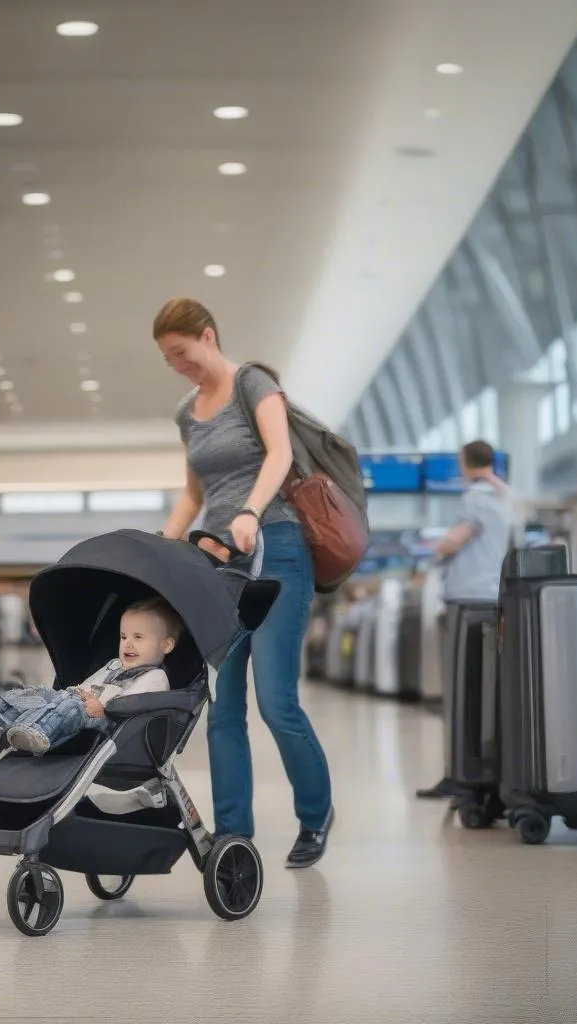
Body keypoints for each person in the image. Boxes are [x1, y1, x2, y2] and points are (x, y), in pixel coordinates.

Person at [154, 297, 334, 869]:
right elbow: (193, 493)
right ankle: (235, 837)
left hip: (277, 550)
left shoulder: (254, 384)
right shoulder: (188, 410)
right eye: (168, 360)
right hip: (220, 564)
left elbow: (279, 454)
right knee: (223, 708)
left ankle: (316, 814)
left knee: (276, 700)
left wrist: (253, 510)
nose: (178, 366)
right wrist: (161, 546)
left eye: (181, 354)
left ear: (208, 336)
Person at [0, 597, 179, 760]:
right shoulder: (114, 665)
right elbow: (84, 687)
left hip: (108, 726)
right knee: (34, 693)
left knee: (71, 706)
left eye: (138, 637)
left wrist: (102, 707)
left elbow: (136, 706)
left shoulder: (155, 677)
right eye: (123, 636)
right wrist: (79, 692)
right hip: (81, 705)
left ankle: (35, 732)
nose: (127, 643)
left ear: (166, 645)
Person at [416, 439, 512, 799]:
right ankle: (482, 769)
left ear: (466, 463)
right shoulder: (505, 496)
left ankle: (457, 773)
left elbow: (454, 540)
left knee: (458, 690)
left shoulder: (475, 497)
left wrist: (433, 556)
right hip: (493, 597)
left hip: (466, 599)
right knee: (483, 690)